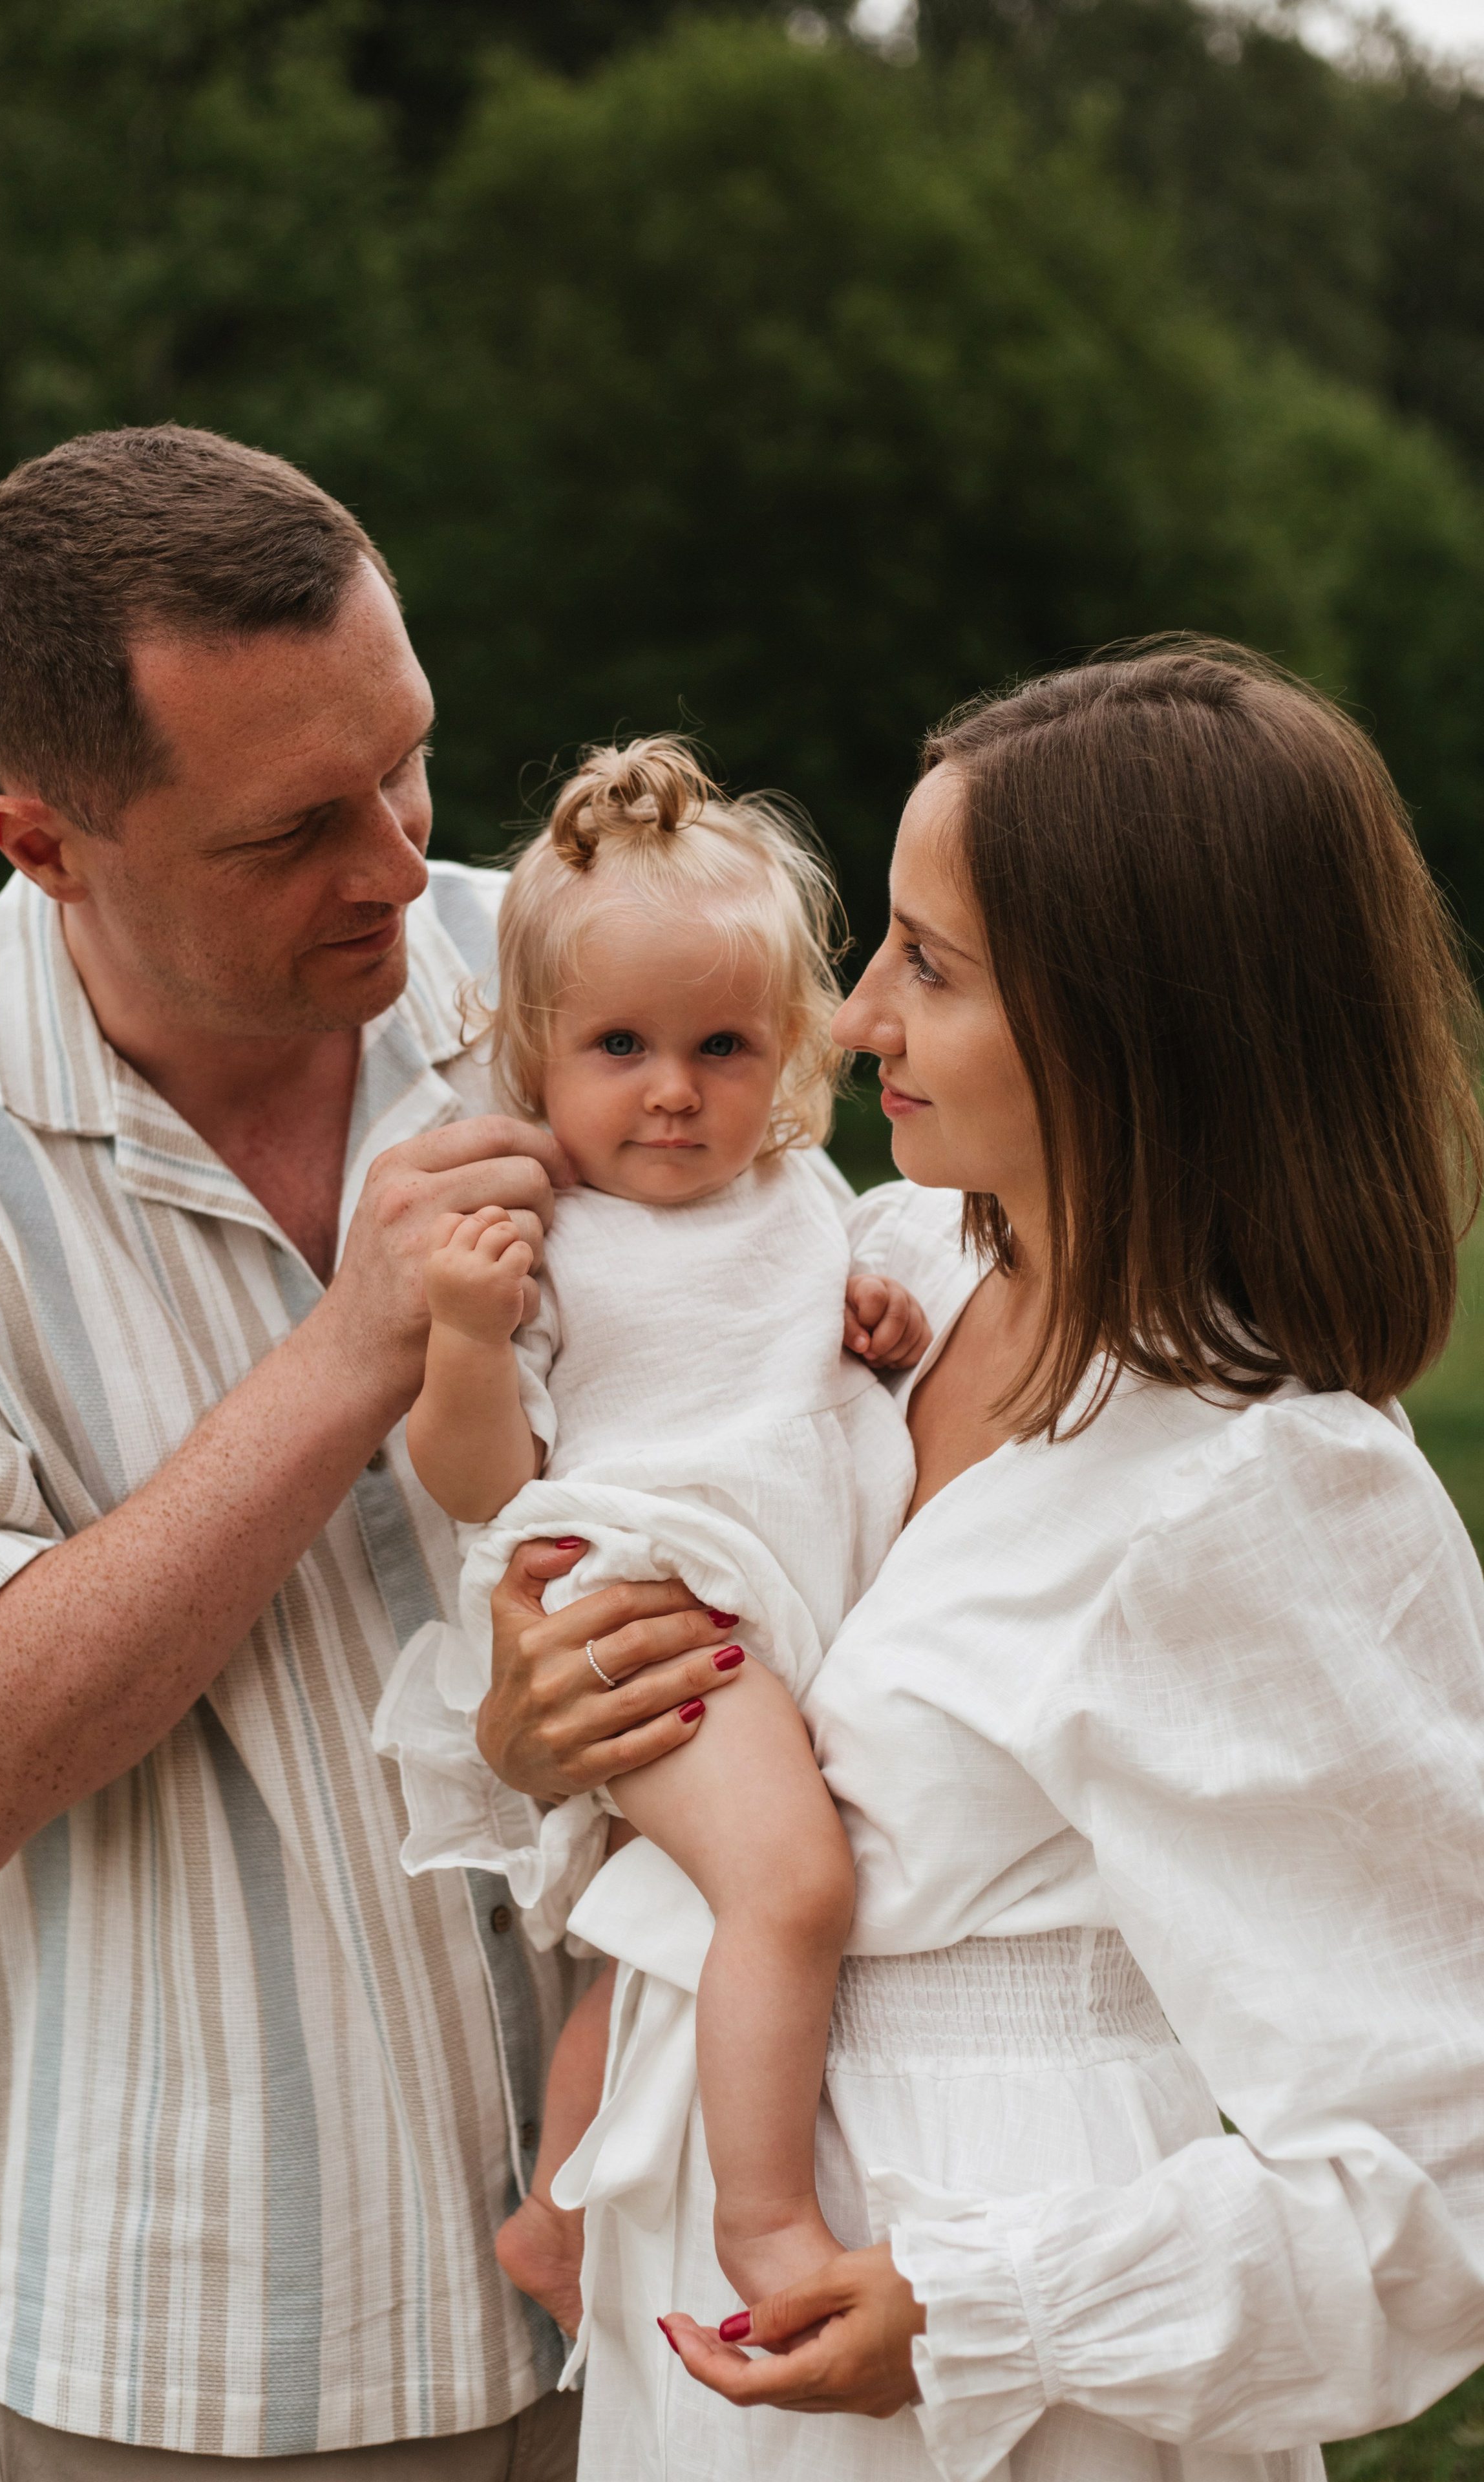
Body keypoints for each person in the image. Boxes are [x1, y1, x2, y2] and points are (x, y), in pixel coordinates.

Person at [0, 425, 737, 2479]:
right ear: (44, 841)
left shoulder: (598, 990)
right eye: (295, 831)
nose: (408, 865)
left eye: (408, 759)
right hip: (226, 2345)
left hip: (695, 2269)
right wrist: (350, 1357)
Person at [476, 642, 1484, 2478]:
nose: (852, 1022)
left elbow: (1451, 2177)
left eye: (928, 968)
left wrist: (987, 2310)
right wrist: (547, 1733)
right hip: (717, 2352)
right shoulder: (885, 1267)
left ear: (1134, 1022)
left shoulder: (1263, 1497)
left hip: (1006, 2406)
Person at [387, 736, 934, 2339]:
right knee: (789, 1894)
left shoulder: (799, 1199)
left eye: (721, 1045)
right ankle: (767, 2228)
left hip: (781, 1613)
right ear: (533, 1051)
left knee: (683, 1931)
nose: (674, 1089)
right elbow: (477, 1482)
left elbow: (805, 1351)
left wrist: (869, 1315)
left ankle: (556, 2221)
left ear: (787, 1056)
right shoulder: (545, 1237)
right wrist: (469, 1341)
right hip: (647, 1609)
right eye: (619, 1043)